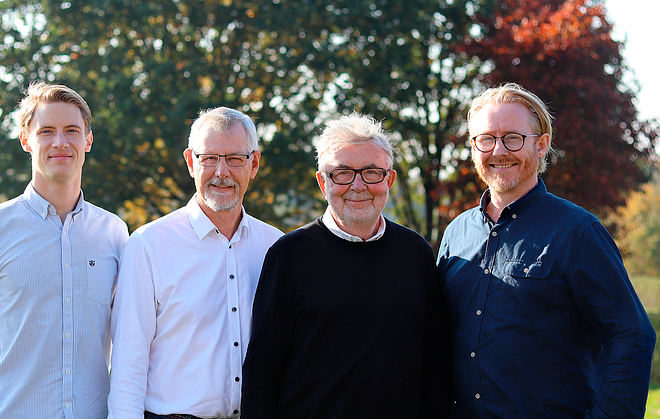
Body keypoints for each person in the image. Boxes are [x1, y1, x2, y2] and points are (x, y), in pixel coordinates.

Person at [437, 82, 656, 419]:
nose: (498, 151)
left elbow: (631, 334)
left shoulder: (578, 232)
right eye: (486, 139)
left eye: (513, 137)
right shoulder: (456, 234)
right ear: (473, 146)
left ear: (541, 144)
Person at [241, 113, 452, 419]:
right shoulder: (289, 256)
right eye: (342, 173)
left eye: (372, 172)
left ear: (389, 179)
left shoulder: (415, 253)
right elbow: (262, 369)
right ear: (322, 182)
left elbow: (436, 362)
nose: (358, 185)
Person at [0, 81, 129, 418]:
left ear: (87, 140)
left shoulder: (115, 233)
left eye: (72, 130)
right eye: (46, 131)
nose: (60, 141)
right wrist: (2, 401)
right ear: (26, 140)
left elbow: (126, 334)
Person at [107, 107, 283, 419]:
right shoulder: (148, 245)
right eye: (210, 158)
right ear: (191, 162)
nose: (222, 172)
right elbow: (127, 362)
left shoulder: (275, 247)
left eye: (234, 158)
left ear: (253, 164)